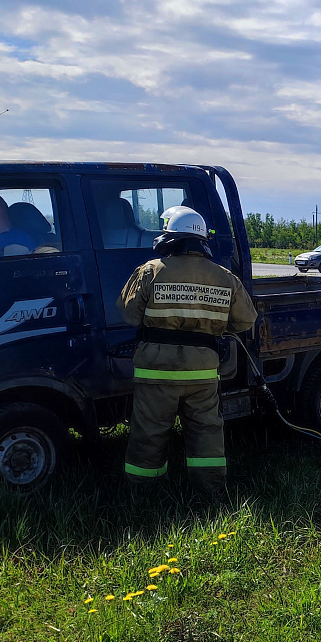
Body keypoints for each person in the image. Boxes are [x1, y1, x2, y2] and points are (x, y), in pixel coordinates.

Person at [118, 205, 256, 495]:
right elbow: (246, 320)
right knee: (206, 432)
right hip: (203, 370)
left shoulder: (151, 271)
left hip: (156, 369)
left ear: (170, 237)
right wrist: (212, 327)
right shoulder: (224, 277)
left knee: (150, 432)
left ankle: (144, 493)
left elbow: (129, 315)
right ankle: (210, 492)